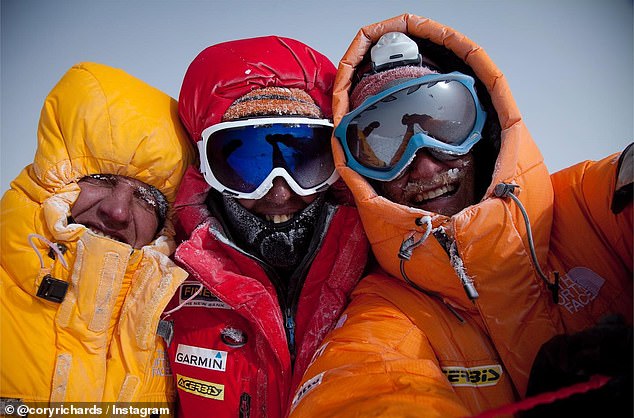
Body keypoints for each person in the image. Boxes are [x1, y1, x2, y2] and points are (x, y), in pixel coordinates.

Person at [288, 14, 632, 417]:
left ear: (483, 126)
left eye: (444, 124)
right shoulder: (388, 310)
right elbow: (363, 388)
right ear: (360, 174)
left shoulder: (596, 205)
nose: (425, 165)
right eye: (384, 145)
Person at [161, 36, 369, 417]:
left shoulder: (385, 266)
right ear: (208, 174)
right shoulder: (167, 290)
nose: (277, 193)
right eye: (246, 163)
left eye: (303, 160)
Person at [0, 62, 194, 408]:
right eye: (100, 179)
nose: (117, 211)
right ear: (52, 178)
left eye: (147, 198)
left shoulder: (178, 331)